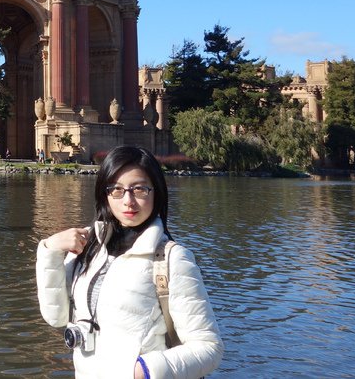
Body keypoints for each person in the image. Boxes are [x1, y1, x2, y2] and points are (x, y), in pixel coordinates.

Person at [35, 146, 223, 378]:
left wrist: (145, 370)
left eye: (140, 189)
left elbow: (209, 348)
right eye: (117, 190)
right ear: (105, 194)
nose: (128, 201)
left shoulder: (172, 258)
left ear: (156, 192)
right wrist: (50, 251)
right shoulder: (88, 247)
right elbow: (57, 317)